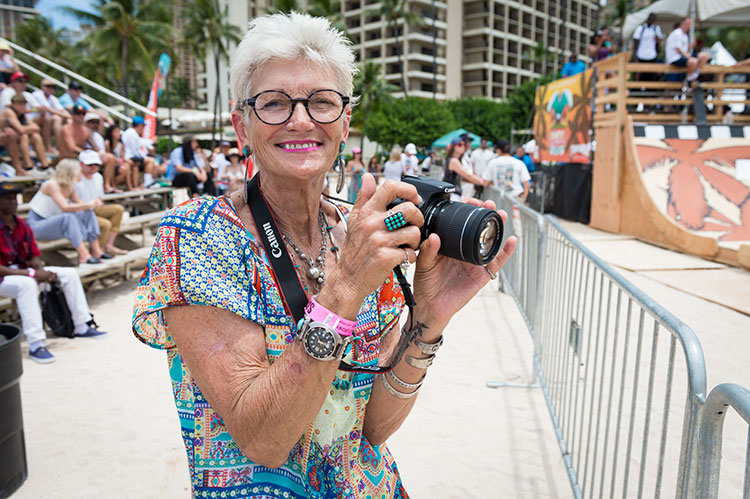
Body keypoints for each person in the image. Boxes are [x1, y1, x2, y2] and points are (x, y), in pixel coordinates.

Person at [131, 12, 515, 499]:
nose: (300, 119)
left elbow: (371, 428)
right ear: (240, 125)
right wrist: (346, 286)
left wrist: (430, 322)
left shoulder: (361, 231)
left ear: (345, 120)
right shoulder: (198, 235)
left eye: (321, 102)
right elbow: (263, 440)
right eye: (273, 103)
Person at [0, 181, 109, 364]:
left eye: (14, 198)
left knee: (68, 274)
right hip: (5, 278)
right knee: (27, 285)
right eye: (7, 198)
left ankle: (82, 324)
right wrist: (33, 275)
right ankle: (36, 344)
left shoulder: (21, 225)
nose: (13, 201)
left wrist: (41, 271)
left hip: (23, 272)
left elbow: (33, 255)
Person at [26, 159, 107, 264]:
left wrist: (93, 204)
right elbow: (64, 207)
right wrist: (88, 204)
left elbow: (80, 204)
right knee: (68, 217)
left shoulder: (70, 187)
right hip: (36, 225)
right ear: (71, 172)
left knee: (87, 212)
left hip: (53, 222)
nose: (81, 173)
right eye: (79, 170)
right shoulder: (51, 185)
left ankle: (96, 250)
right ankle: (84, 255)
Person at [75, 150, 127, 256]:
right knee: (105, 224)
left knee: (118, 209)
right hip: (80, 212)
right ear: (81, 164)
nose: (94, 167)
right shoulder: (76, 178)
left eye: (96, 164)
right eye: (90, 164)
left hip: (92, 208)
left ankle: (108, 246)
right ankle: (97, 252)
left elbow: (99, 198)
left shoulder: (98, 177)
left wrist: (96, 203)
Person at [0, 93, 49, 174]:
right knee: (23, 136)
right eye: (20, 104)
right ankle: (27, 166)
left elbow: (36, 128)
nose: (22, 107)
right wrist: (28, 129)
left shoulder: (21, 113)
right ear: (13, 104)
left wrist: (26, 129)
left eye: (24, 105)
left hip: (14, 140)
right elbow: (21, 130)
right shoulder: (9, 112)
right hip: (6, 142)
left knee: (36, 137)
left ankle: (45, 166)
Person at [121, 116, 164, 188]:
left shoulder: (131, 133)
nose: (143, 128)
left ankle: (148, 183)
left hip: (131, 157)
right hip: (131, 158)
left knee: (153, 163)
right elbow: (135, 150)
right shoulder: (132, 133)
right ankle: (147, 183)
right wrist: (144, 157)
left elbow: (140, 143)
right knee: (151, 161)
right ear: (140, 125)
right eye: (143, 125)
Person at [31, 79, 70, 154]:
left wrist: (69, 117)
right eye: (48, 86)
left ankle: (62, 145)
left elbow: (61, 110)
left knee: (59, 119)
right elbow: (48, 109)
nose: (51, 88)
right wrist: (67, 116)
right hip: (33, 119)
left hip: (45, 121)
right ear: (42, 87)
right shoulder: (37, 94)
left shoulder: (53, 98)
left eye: (53, 87)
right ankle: (50, 146)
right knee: (52, 118)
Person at [665, 17, 710, 84]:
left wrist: (692, 43)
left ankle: (694, 75)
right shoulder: (677, 33)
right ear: (682, 23)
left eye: (690, 24)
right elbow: (678, 50)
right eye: (687, 23)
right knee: (693, 61)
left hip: (683, 57)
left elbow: (685, 48)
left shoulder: (685, 35)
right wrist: (687, 55)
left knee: (705, 56)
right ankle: (688, 80)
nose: (689, 26)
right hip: (675, 58)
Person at [443, 136, 487, 201]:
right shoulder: (454, 161)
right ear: (453, 147)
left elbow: (463, 178)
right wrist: (482, 181)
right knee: (479, 204)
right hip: (452, 195)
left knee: (478, 203)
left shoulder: (455, 159)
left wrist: (478, 181)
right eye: (460, 144)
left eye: (464, 144)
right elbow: (467, 175)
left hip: (454, 194)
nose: (463, 146)